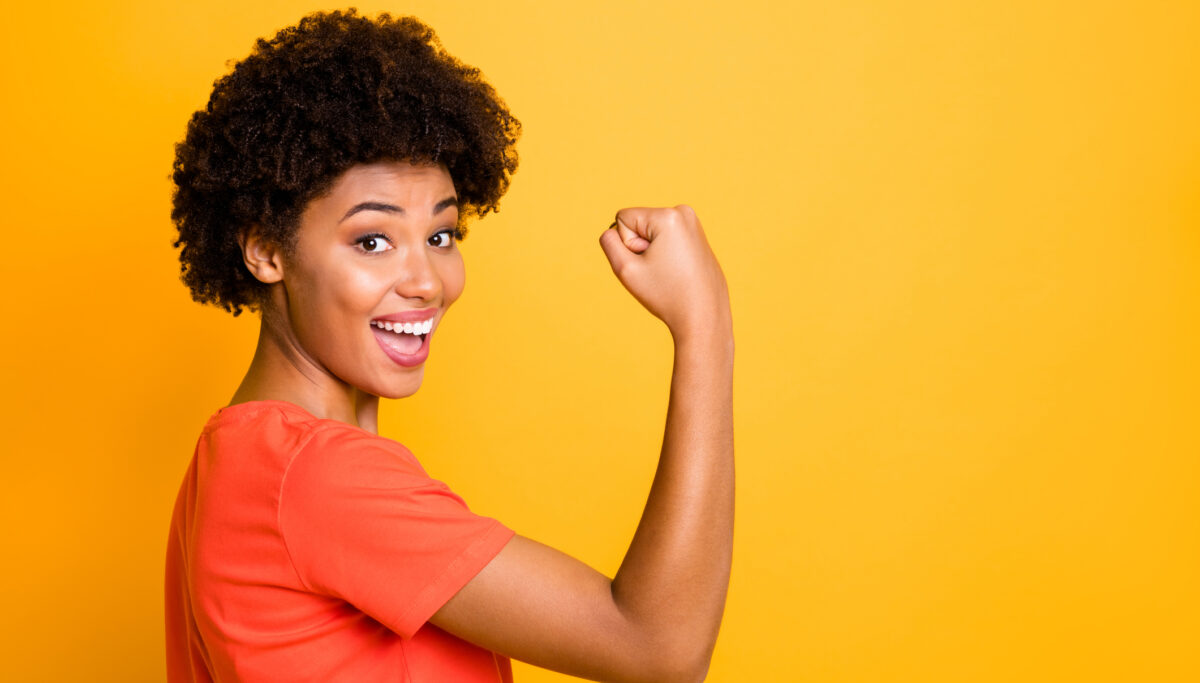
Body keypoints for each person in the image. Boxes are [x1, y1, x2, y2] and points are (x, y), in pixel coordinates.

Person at [164, 9, 733, 683]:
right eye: (372, 240)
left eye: (441, 235)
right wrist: (706, 325)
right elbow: (659, 649)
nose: (427, 281)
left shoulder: (234, 459)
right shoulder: (317, 476)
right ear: (265, 250)